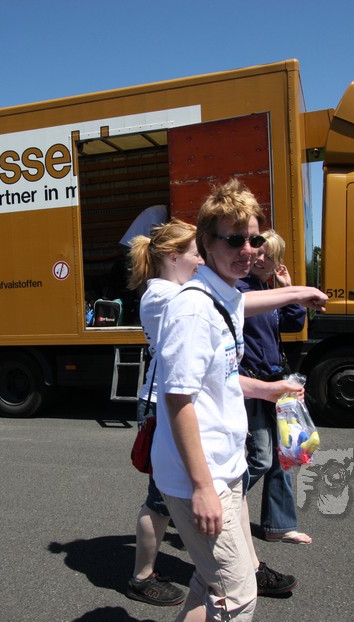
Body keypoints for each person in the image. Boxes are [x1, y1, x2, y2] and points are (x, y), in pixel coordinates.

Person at [153, 179, 327, 621]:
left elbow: (222, 375)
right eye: (234, 240)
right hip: (200, 475)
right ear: (206, 243)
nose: (247, 250)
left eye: (254, 239)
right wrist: (201, 488)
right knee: (238, 593)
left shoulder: (225, 294)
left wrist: (267, 389)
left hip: (226, 467)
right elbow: (178, 399)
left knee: (209, 581)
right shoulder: (194, 309)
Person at [125, 218, 203, 607]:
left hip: (173, 401)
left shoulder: (175, 290)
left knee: (184, 491)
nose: (201, 260)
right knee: (160, 499)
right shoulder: (162, 294)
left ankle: (231, 566)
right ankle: (141, 579)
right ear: (173, 257)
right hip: (161, 405)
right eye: (196, 253)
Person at [237, 230, 312, 545]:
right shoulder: (238, 289)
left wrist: (287, 289)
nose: (261, 259)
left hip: (276, 380)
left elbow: (293, 324)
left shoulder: (266, 290)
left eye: (269, 256)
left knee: (285, 453)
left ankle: (279, 526)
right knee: (261, 457)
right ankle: (209, 504)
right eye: (258, 253)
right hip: (251, 382)